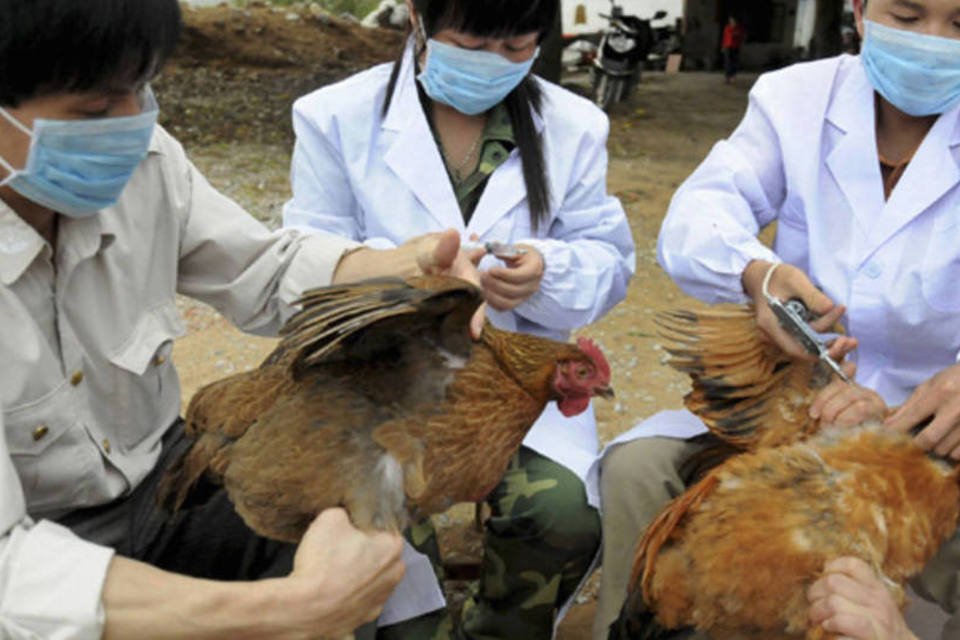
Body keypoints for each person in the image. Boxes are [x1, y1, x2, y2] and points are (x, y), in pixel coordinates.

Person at [0, 1, 486, 638]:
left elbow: (264, 270)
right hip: (38, 547)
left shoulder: (147, 160)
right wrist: (290, 610)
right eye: (93, 111)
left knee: (363, 544)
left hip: (161, 484)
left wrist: (405, 268)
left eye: (140, 90)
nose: (132, 123)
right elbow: (14, 571)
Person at [593, 0, 960, 637]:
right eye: (907, 16)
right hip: (795, 405)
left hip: (936, 435)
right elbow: (698, 214)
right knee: (639, 471)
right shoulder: (795, 99)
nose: (933, 41)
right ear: (861, 10)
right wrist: (758, 276)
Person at [282, 0, 636, 637]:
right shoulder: (335, 117)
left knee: (561, 514)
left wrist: (545, 272)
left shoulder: (573, 125)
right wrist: (409, 283)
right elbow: (308, 264)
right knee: (380, 531)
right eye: (471, 43)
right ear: (416, 15)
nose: (491, 64)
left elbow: (609, 260)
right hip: (379, 388)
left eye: (516, 48)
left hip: (512, 393)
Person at [721, 15, 746, 84]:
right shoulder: (727, 27)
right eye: (731, 20)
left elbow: (741, 36)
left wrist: (736, 34)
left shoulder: (739, 28)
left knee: (734, 62)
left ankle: (733, 76)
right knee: (727, 62)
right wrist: (723, 46)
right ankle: (727, 77)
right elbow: (725, 37)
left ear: (736, 21)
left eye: (733, 20)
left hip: (735, 47)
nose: (732, 22)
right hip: (728, 46)